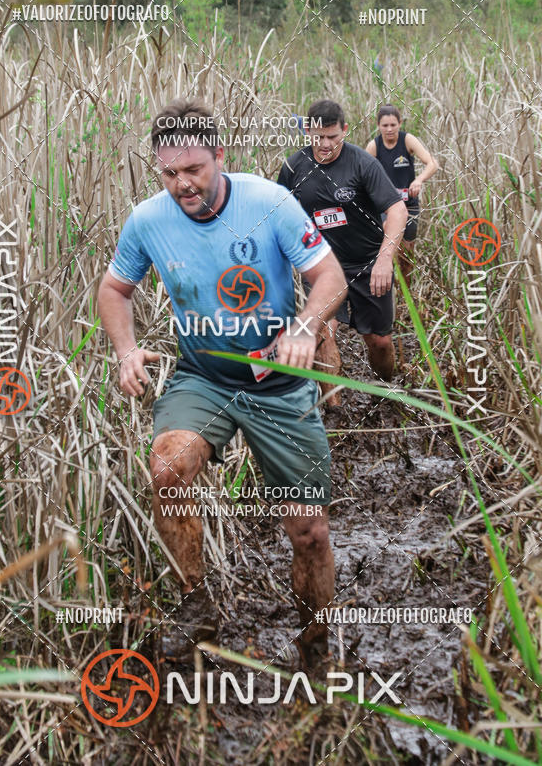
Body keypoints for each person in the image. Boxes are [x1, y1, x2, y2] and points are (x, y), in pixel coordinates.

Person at [98, 98, 347, 668]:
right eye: (169, 173)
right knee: (167, 467)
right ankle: (196, 602)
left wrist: (308, 326)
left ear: (219, 156)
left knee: (308, 531)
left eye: (194, 169)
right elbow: (115, 290)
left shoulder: (270, 203)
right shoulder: (147, 221)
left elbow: (329, 277)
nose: (182, 184)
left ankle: (315, 644)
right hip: (204, 378)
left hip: (279, 384)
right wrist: (126, 350)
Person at [277, 99, 407, 402]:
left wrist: (385, 259)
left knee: (380, 342)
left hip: (368, 264)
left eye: (332, 137)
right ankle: (333, 408)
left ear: (344, 131)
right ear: (307, 130)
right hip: (322, 267)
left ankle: (383, 391)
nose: (325, 144)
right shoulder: (294, 167)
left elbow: (397, 210)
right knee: (322, 333)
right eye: (318, 137)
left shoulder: (362, 163)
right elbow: (277, 214)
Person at [366, 105, 439, 287]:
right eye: (385, 125)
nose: (389, 129)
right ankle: (388, 290)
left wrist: (419, 180)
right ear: (378, 126)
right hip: (386, 207)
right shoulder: (374, 146)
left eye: (393, 124)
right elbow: (362, 174)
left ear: (400, 123)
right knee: (390, 247)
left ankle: (406, 293)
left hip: (410, 204)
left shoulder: (408, 140)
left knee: (407, 253)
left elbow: (432, 163)